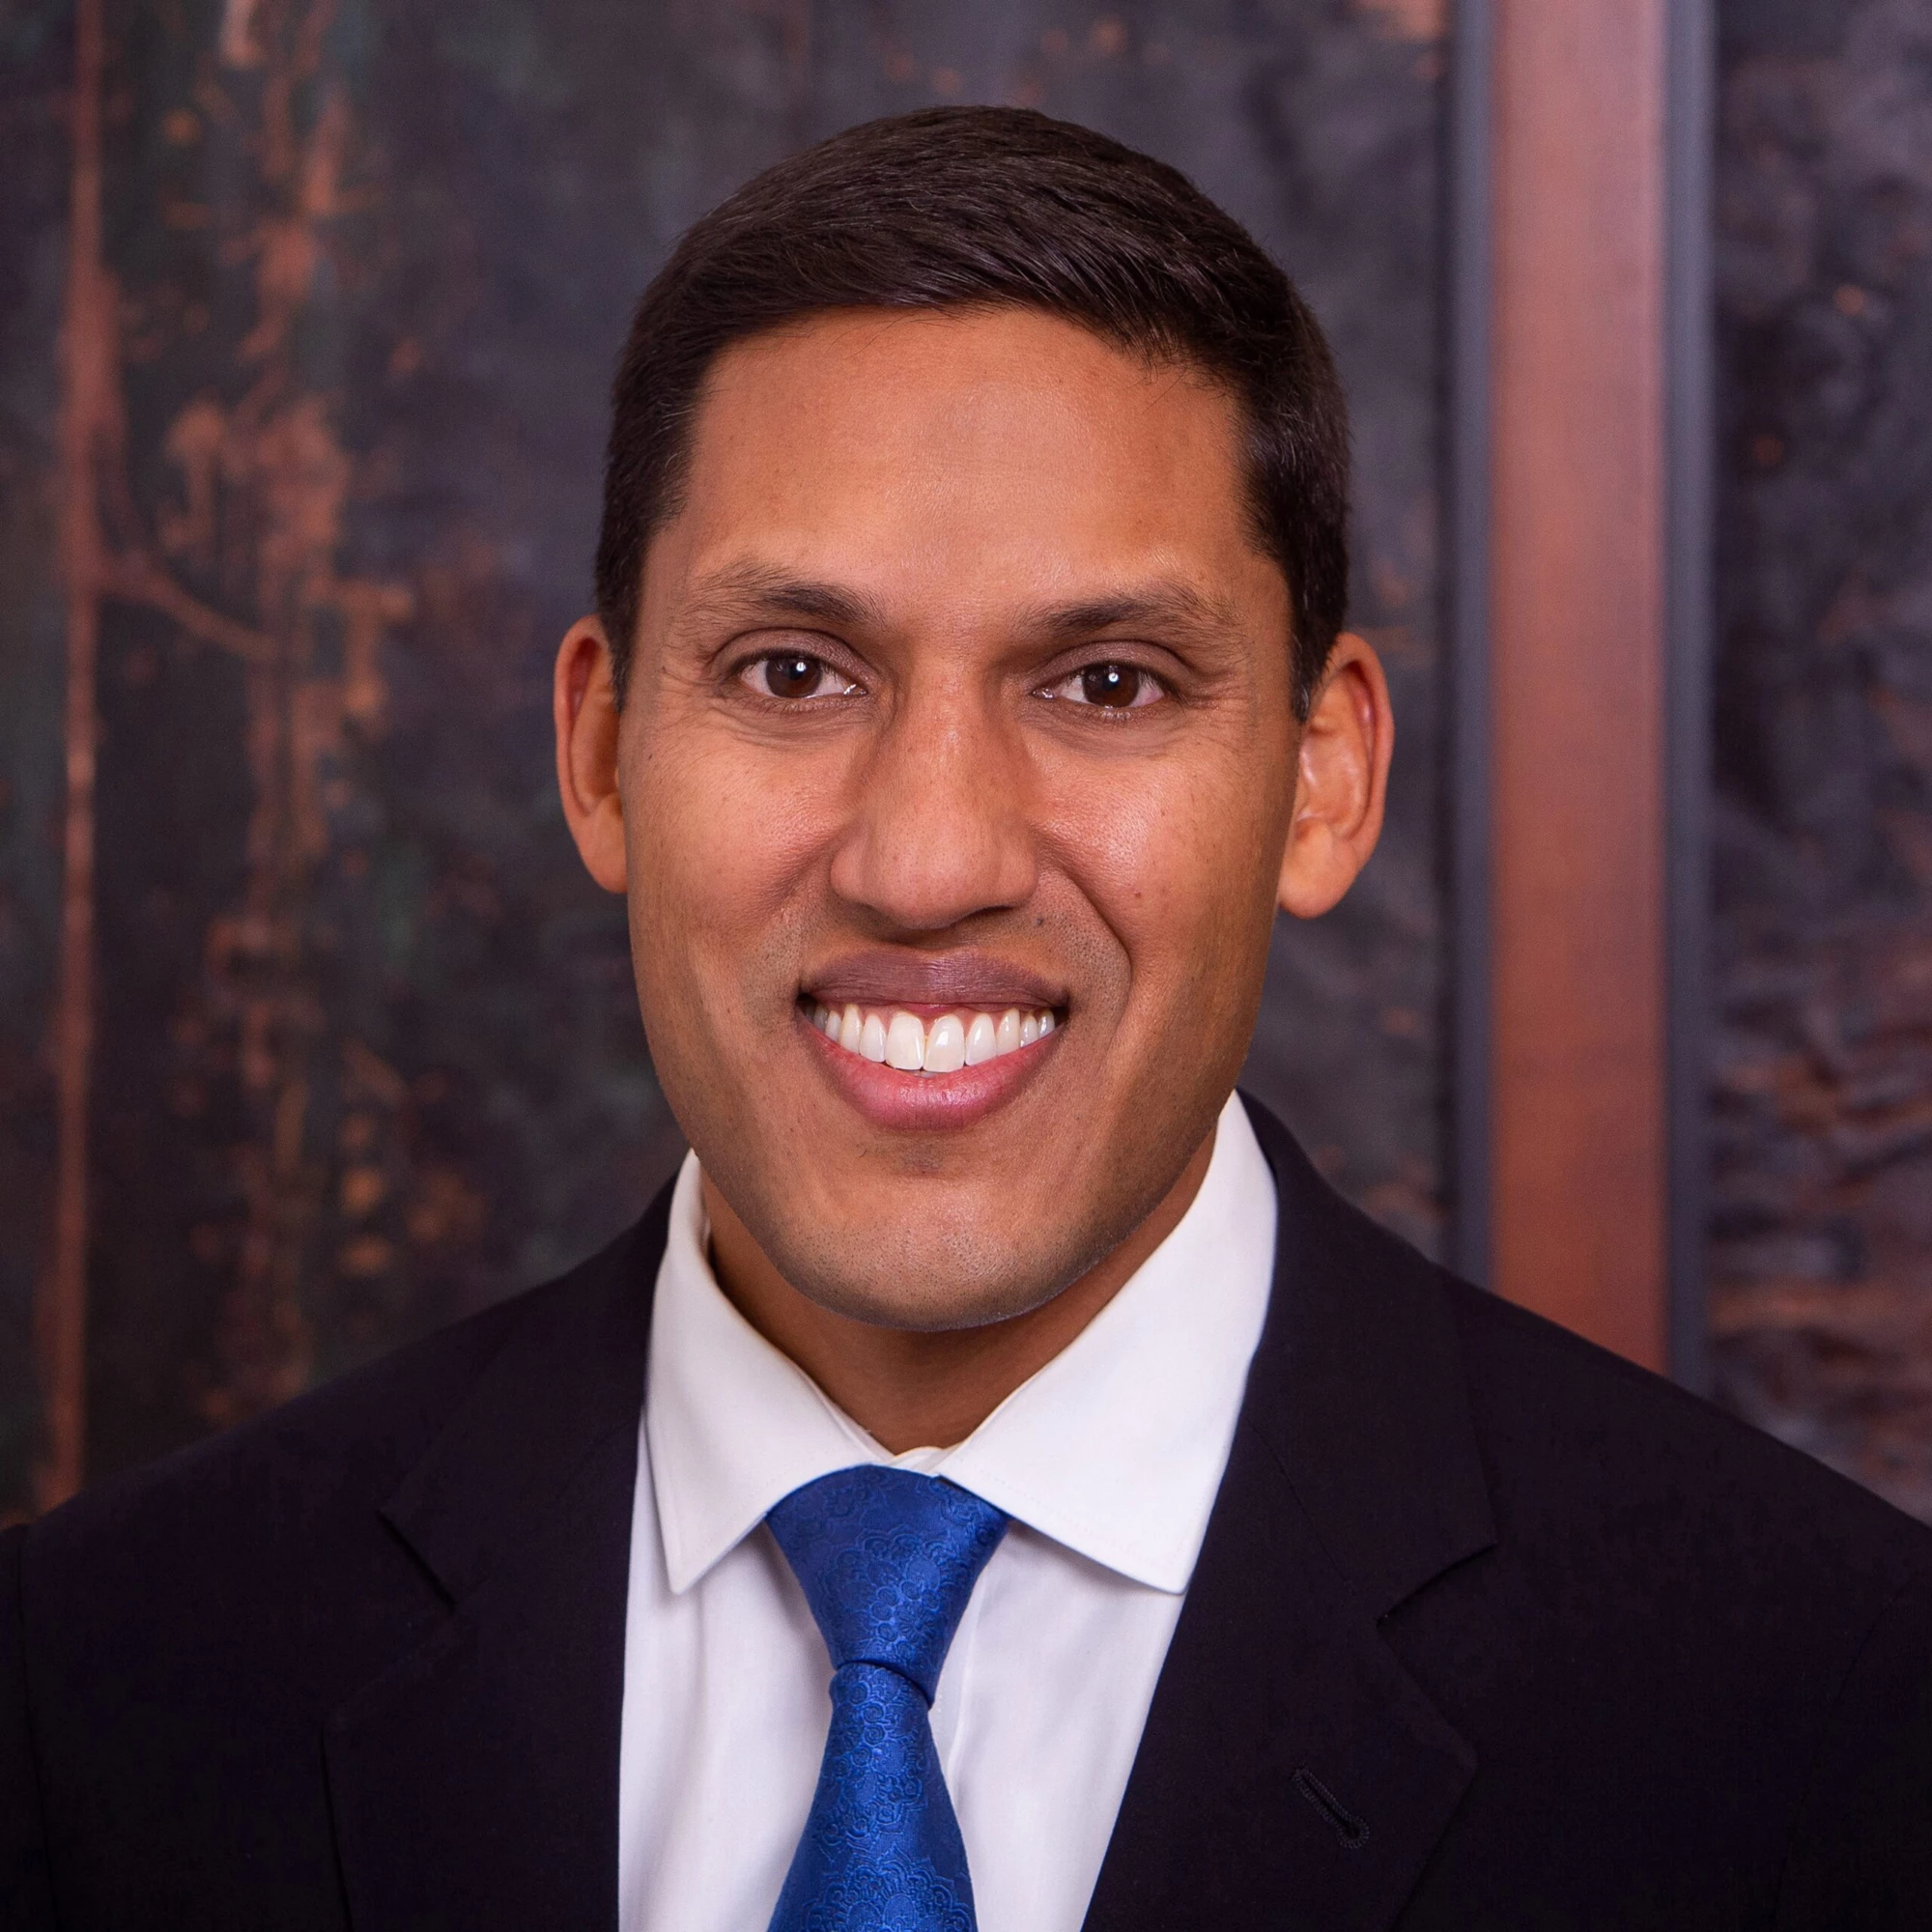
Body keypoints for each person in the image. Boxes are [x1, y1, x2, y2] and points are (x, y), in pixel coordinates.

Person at [5, 104, 1931, 1932]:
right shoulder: (94, 1697)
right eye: (790, 668)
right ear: (597, 752)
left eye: (1103, 683)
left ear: (1324, 777)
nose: (929, 859)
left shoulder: (1829, 1719)